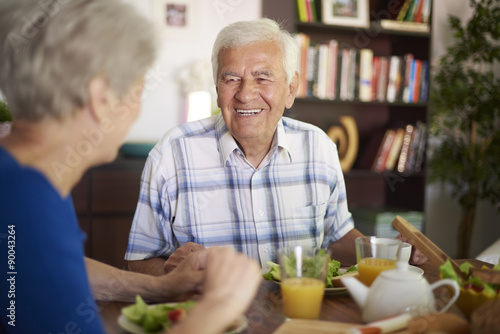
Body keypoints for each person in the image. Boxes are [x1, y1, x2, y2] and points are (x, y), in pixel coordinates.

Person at [0, 1, 261, 333]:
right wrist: (220, 305)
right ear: (102, 97)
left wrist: (161, 288)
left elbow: (46, 269)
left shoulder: (26, 179)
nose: (137, 108)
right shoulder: (28, 205)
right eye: (138, 91)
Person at [125, 17, 428, 276]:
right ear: (218, 90)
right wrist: (171, 271)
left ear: (291, 89)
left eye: (262, 77)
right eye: (232, 79)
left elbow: (336, 237)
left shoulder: (319, 147)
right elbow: (139, 261)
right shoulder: (173, 153)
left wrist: (391, 255)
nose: (245, 94)